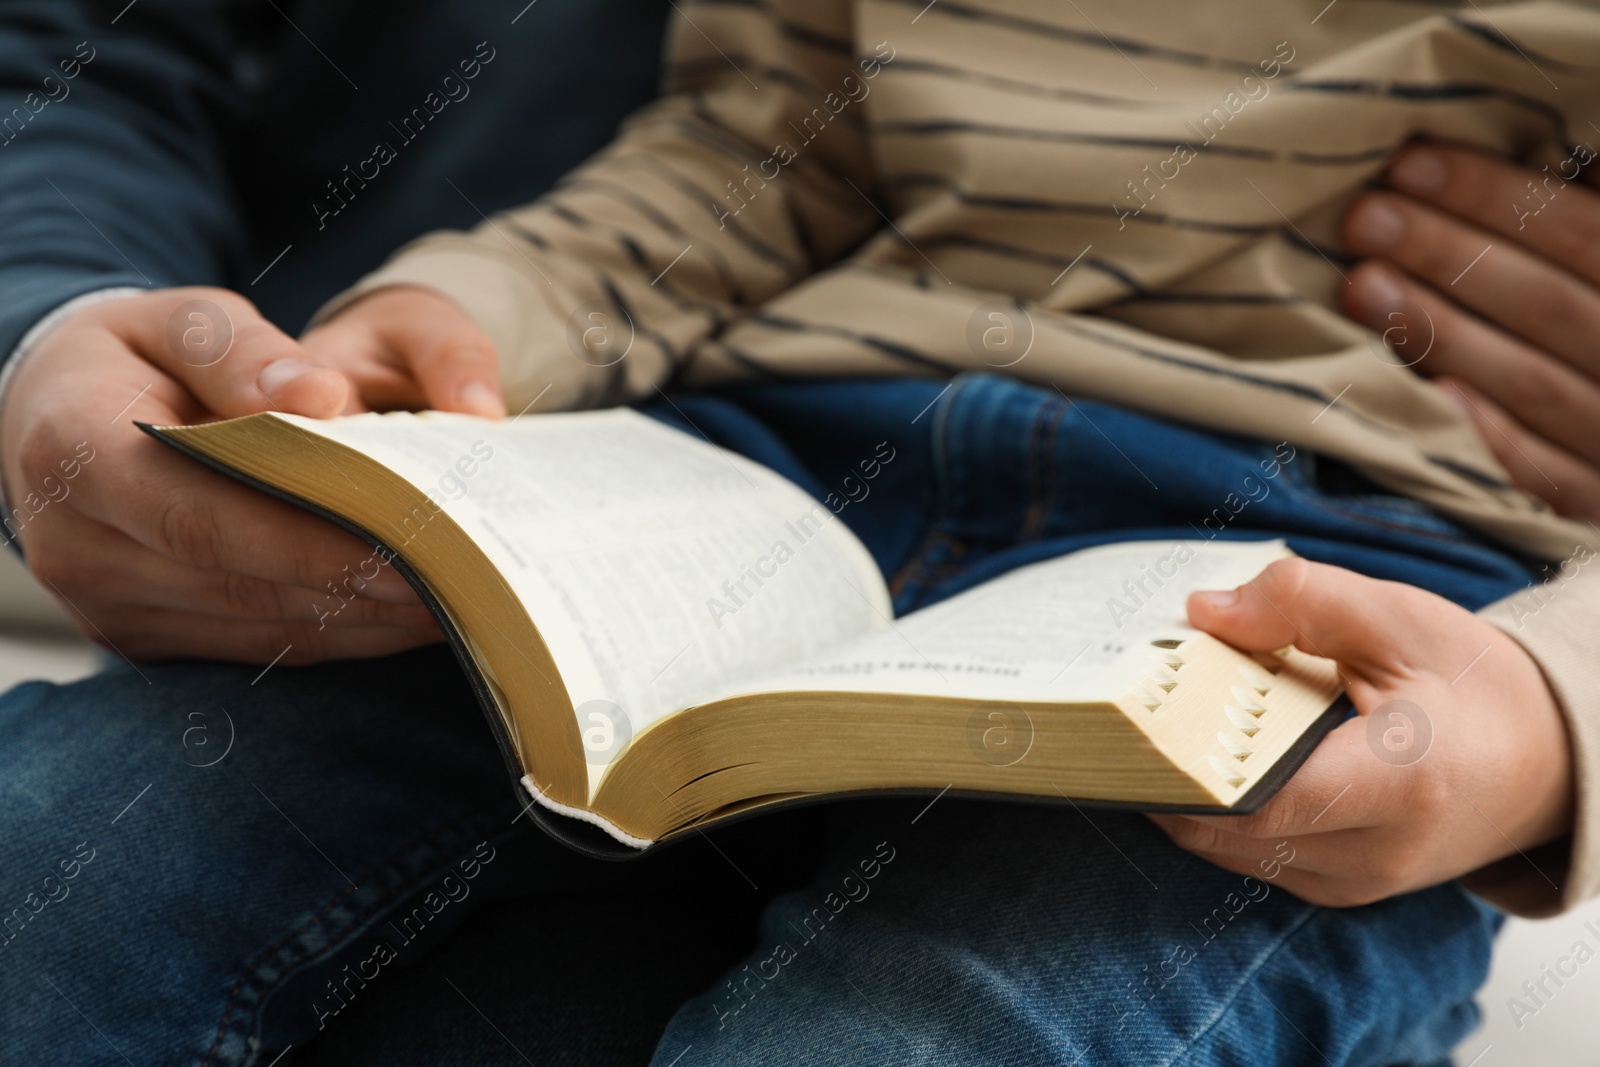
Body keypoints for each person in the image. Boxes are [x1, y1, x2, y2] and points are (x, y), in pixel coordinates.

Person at [0, 1, 1596, 1064]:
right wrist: (453, 321)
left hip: (1346, 566)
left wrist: (1553, 715)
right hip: (769, 448)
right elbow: (763, 149)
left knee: (939, 1028)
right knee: (70, 851)